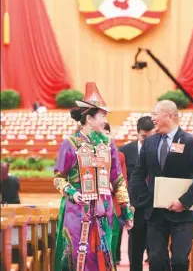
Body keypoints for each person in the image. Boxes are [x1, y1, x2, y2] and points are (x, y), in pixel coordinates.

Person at [53, 82, 133, 271]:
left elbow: (119, 180)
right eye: (102, 116)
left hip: (104, 211)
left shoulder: (109, 144)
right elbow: (58, 178)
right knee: (77, 255)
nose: (105, 120)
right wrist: (72, 191)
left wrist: (126, 209)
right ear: (89, 119)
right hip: (77, 209)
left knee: (103, 256)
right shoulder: (70, 144)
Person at [129, 100, 193, 271]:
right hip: (155, 213)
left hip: (182, 213)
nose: (153, 118)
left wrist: (184, 201)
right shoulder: (149, 143)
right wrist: (143, 200)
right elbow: (137, 174)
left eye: (156, 114)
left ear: (170, 116)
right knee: (156, 260)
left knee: (180, 260)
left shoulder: (191, 142)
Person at [120, 116, 154, 271]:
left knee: (155, 248)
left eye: (150, 137)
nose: (147, 141)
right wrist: (128, 203)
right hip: (135, 206)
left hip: (155, 206)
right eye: (143, 137)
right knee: (135, 247)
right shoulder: (125, 151)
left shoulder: (160, 149)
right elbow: (121, 179)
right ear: (137, 133)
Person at [103, 123, 128, 270]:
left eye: (106, 133)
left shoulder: (119, 156)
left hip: (113, 208)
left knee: (111, 247)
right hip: (90, 209)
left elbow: (123, 181)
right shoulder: (85, 154)